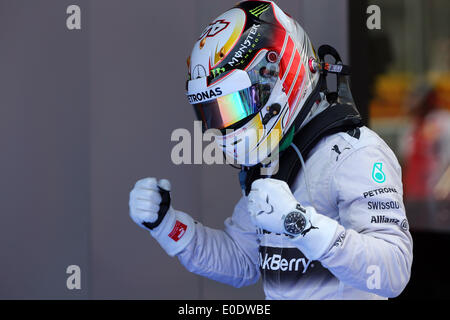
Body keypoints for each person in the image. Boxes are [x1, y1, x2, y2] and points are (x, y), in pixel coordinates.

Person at [129, 0, 412, 299]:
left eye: (233, 105)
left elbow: (393, 270)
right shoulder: (274, 162)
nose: (224, 125)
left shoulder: (355, 153)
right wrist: (167, 225)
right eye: (214, 111)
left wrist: (300, 223)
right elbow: (242, 260)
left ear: (276, 75)